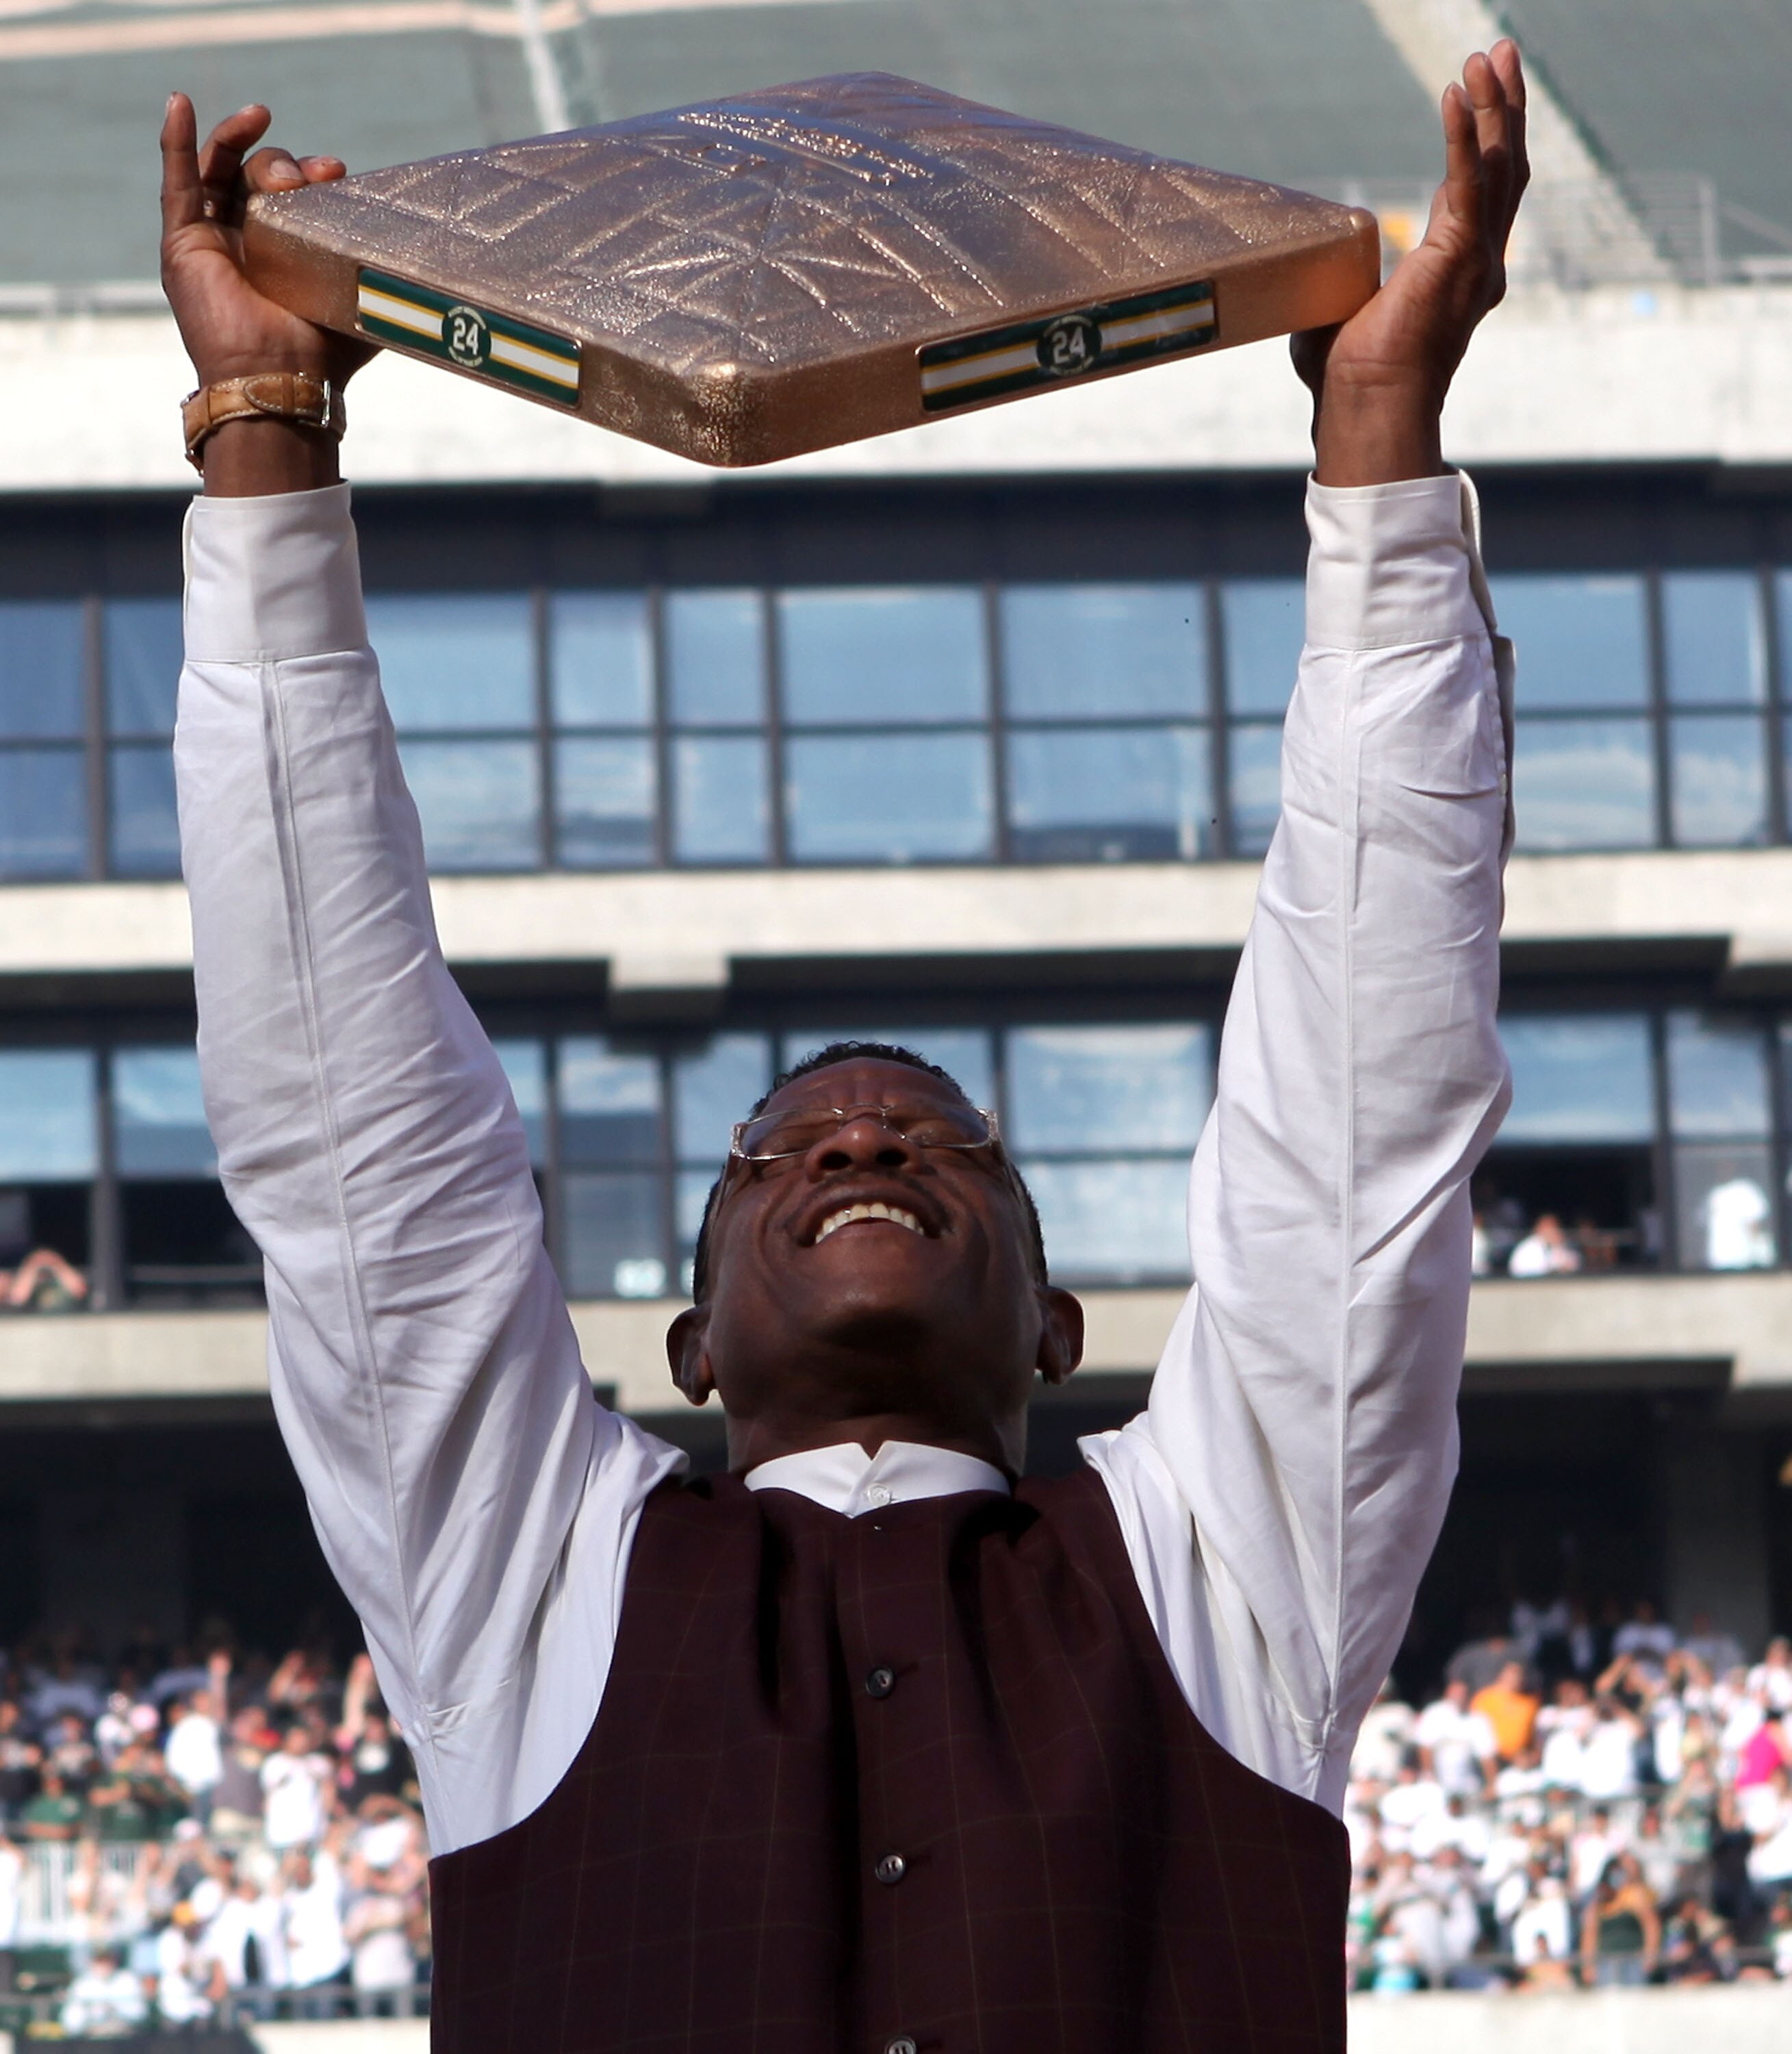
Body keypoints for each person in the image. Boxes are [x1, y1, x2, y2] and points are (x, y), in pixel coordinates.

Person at [159, 32, 1527, 2051]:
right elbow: (345, 1107)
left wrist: (1382, 459)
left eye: (938, 1140)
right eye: (783, 1151)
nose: (865, 1145)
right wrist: (259, 427)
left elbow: (1365, 1087)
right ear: (688, 1346)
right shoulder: (523, 1580)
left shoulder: (1228, 1555)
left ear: (1061, 1328)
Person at [1580, 1852, 1661, 1988]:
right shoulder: (1598, 1902)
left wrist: (1650, 1955)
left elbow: (1651, 1926)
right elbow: (1590, 1934)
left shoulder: (1635, 1895)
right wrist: (1588, 1966)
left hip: (1633, 1960)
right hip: (1605, 1962)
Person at [60, 1944, 149, 2037]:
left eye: (107, 1961)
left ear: (114, 1961)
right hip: (91, 2039)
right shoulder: (81, 1985)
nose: (104, 1965)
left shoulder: (128, 1980)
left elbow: (140, 2015)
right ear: (91, 1962)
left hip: (124, 2037)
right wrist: (90, 2014)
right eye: (99, 1961)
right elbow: (70, 2022)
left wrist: (114, 2010)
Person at [1506, 1213, 1580, 1279]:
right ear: (1539, 1228)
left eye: (1554, 1226)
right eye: (1548, 1227)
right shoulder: (1528, 1247)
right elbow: (1526, 1271)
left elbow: (1573, 1265)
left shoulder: (1561, 1245)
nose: (1552, 1231)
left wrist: (1558, 1247)